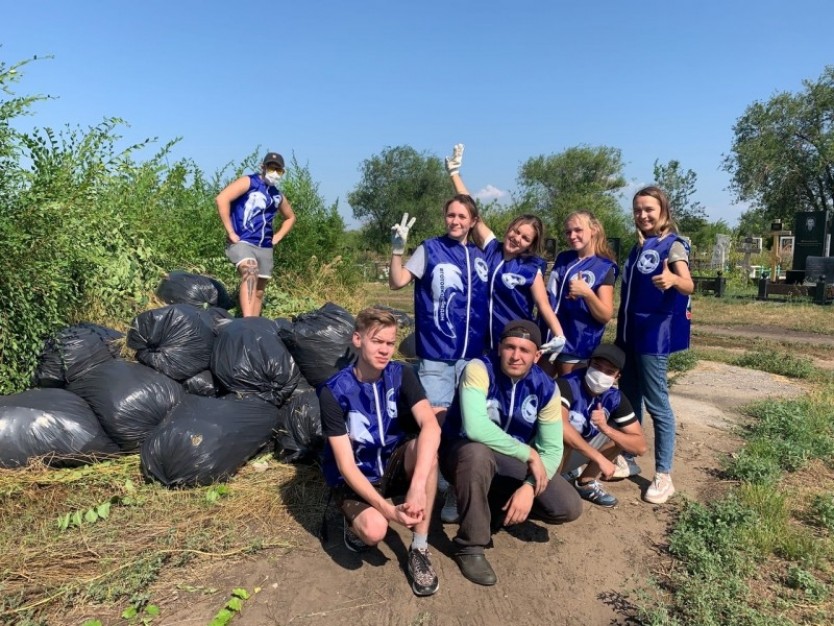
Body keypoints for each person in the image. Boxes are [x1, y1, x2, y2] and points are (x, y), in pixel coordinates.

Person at [440, 320, 582, 586]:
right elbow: (475, 427)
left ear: (537, 356)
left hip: (508, 460)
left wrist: (529, 487)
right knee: (477, 454)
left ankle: (492, 507)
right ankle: (470, 545)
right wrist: (528, 453)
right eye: (510, 347)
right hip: (461, 452)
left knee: (567, 506)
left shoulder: (547, 388)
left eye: (525, 350)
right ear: (499, 347)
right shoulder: (479, 369)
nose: (516, 356)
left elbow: (552, 449)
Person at [319, 308, 441, 597]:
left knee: (427, 452)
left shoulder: (402, 374)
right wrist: (388, 511)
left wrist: (417, 487)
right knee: (375, 532)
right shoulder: (333, 391)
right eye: (377, 342)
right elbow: (346, 466)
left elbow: (431, 425)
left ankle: (419, 548)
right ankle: (354, 522)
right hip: (358, 473)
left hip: (391, 462)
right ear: (357, 339)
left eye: (390, 343)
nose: (385, 350)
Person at [444, 143, 566, 355]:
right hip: (480, 339)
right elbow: (471, 210)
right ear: (509, 228)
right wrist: (454, 173)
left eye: (525, 238)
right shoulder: (491, 248)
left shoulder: (530, 268)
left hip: (512, 343)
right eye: (516, 231)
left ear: (530, 244)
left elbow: (543, 305)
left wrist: (559, 335)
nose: (517, 238)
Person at [616, 186, 694, 505]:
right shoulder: (637, 247)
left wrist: (674, 280)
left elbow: (688, 283)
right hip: (629, 334)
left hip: (653, 336)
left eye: (649, 209)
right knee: (629, 397)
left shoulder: (672, 245)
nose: (643, 215)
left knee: (657, 402)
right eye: (638, 209)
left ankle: (664, 474)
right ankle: (628, 456)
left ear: (663, 210)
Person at [388, 194, 489, 420]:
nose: (455, 221)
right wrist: (397, 251)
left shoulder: (480, 256)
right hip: (437, 353)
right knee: (438, 419)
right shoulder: (430, 248)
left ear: (473, 221)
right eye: (451, 215)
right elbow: (397, 282)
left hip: (472, 356)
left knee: (468, 419)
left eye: (462, 216)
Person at [557, 344, 647, 508]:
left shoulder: (615, 398)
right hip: (547, 452)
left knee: (620, 434)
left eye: (609, 371)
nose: (601, 374)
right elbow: (559, 426)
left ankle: (585, 483)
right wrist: (599, 458)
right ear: (588, 364)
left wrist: (606, 429)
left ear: (617, 376)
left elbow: (640, 447)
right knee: (564, 437)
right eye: (597, 366)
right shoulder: (566, 384)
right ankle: (550, 484)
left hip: (578, 450)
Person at [215, 152, 296, 317]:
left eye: (279, 170)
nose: (274, 173)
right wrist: (230, 231)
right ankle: (248, 323)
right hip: (242, 240)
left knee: (259, 290)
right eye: (271, 168)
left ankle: (254, 323)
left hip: (264, 246)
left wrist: (278, 237)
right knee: (250, 270)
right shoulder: (249, 182)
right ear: (263, 167)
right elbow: (222, 198)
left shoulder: (277, 195)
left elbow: (290, 217)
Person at [539, 211, 618, 377]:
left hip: (576, 343)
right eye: (568, 232)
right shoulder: (563, 258)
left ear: (593, 229)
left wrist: (587, 293)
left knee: (569, 391)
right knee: (537, 388)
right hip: (549, 337)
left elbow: (605, 315)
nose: (572, 236)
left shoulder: (604, 267)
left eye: (578, 230)